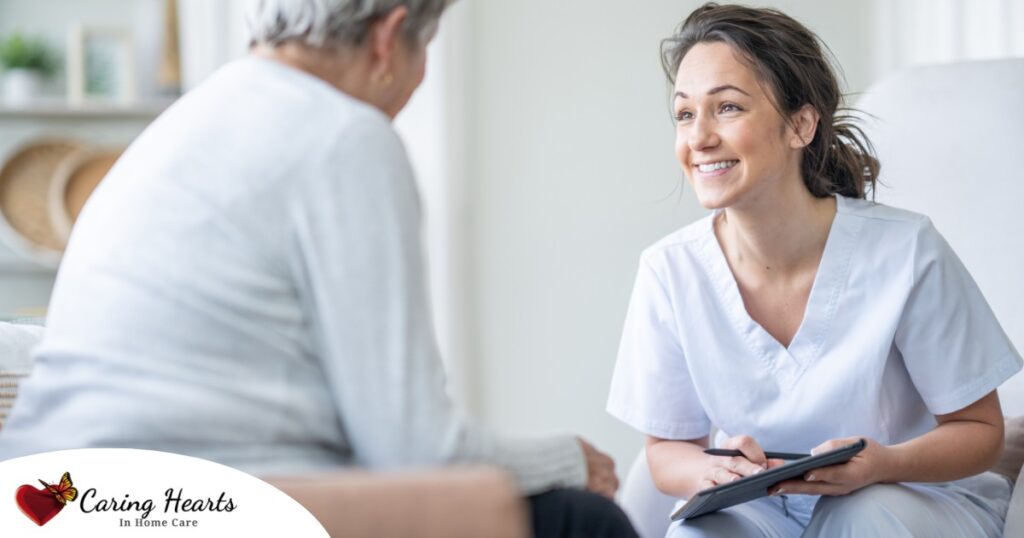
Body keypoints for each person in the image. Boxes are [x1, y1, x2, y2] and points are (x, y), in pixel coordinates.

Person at [0, 1, 636, 535]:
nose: (416, 82)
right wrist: (568, 459)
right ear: (391, 37)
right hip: (166, 503)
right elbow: (416, 450)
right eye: (425, 49)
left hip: (54, 498)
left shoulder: (189, 121)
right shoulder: (344, 137)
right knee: (583, 520)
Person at [607, 3, 1022, 537]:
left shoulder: (906, 251)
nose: (699, 138)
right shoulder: (669, 271)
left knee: (858, 515)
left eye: (727, 108)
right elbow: (665, 451)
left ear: (800, 124)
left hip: (910, 498)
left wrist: (884, 464)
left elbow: (980, 431)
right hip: (765, 510)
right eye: (685, 114)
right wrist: (712, 470)